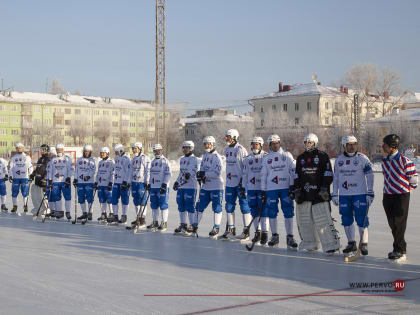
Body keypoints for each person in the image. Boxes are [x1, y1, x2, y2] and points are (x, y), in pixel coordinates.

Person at [291, 133, 340, 254]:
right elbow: (296, 176)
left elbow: (328, 174)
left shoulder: (323, 156)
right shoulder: (301, 158)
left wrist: (324, 188)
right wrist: (297, 190)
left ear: (315, 143)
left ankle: (331, 245)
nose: (308, 144)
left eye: (310, 142)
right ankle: (310, 243)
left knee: (323, 221)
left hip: (319, 195)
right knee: (304, 221)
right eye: (306, 142)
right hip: (305, 195)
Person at [332, 135, 374, 256]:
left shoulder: (362, 158)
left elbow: (370, 175)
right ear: (344, 146)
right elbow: (336, 178)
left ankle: (364, 243)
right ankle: (351, 243)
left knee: (362, 219)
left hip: (359, 194)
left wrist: (370, 192)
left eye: (354, 144)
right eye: (349, 144)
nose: (352, 146)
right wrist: (335, 194)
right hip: (344, 195)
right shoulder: (339, 160)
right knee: (346, 219)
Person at [381, 134, 418, 262]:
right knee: (393, 224)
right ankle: (397, 248)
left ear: (392, 146)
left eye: (385, 144)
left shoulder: (405, 161)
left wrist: (406, 192)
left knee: (399, 223)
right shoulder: (384, 161)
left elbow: (413, 180)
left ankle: (400, 250)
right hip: (388, 195)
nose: (382, 146)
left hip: (401, 196)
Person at [260, 135, 297, 248]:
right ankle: (274, 236)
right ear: (269, 145)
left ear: (279, 143)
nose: (275, 145)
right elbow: (264, 175)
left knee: (288, 211)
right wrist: (263, 190)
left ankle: (290, 237)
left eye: (277, 143)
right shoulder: (266, 158)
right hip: (271, 189)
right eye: (273, 143)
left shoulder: (287, 155)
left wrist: (292, 186)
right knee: (272, 212)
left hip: (285, 188)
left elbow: (293, 171)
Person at [222, 129, 250, 240]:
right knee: (229, 206)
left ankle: (246, 231)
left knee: (244, 206)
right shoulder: (226, 150)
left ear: (234, 137)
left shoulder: (241, 150)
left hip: (240, 184)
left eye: (228, 136)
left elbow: (246, 167)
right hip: (229, 183)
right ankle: (231, 230)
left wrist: (243, 182)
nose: (226, 138)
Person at [195, 136, 224, 238]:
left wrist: (205, 174)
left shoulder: (217, 157)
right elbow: (202, 168)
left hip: (216, 186)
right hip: (206, 186)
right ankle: (194, 225)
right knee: (199, 206)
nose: (207, 146)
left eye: (208, 144)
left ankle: (216, 227)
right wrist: (199, 175)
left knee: (216, 207)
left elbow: (218, 173)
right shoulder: (205, 156)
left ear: (213, 144)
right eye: (205, 144)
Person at [241, 136, 268, 243]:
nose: (254, 146)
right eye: (253, 144)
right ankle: (258, 232)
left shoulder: (266, 157)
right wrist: (243, 188)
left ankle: (265, 233)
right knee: (254, 210)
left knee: (264, 211)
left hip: (262, 188)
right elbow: (245, 174)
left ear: (261, 145)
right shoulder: (248, 158)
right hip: (251, 188)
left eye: (256, 144)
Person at [173, 141, 199, 235]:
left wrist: (189, 174)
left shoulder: (194, 159)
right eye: (184, 147)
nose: (185, 149)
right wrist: (177, 181)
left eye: (187, 147)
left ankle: (192, 226)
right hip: (182, 186)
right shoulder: (182, 159)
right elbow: (181, 172)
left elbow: (194, 170)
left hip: (191, 186)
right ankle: (183, 224)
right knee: (181, 204)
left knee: (190, 205)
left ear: (191, 148)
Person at [147, 144, 172, 231]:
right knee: (154, 205)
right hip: (153, 186)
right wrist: (149, 183)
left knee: (163, 204)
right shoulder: (153, 161)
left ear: (161, 151)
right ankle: (155, 221)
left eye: (158, 150)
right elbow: (151, 174)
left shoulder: (165, 161)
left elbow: (168, 174)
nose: (157, 152)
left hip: (162, 187)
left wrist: (165, 184)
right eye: (155, 151)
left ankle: (164, 222)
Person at [47, 144, 74, 220]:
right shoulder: (53, 160)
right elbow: (50, 171)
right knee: (56, 197)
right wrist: (49, 180)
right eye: (57, 149)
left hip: (65, 181)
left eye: (60, 149)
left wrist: (68, 178)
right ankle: (59, 212)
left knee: (67, 197)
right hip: (55, 181)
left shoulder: (67, 159)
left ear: (63, 150)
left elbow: (71, 169)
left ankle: (68, 212)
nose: (59, 151)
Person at [108, 144, 131, 224]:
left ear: (121, 150)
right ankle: (115, 216)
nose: (116, 153)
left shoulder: (126, 159)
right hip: (116, 182)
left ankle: (124, 216)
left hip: (123, 182)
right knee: (114, 199)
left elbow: (128, 171)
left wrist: (126, 181)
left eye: (117, 152)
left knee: (124, 200)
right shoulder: (116, 158)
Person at [130, 142, 151, 228]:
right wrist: (129, 181)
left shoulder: (145, 158)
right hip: (134, 182)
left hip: (142, 182)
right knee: (136, 201)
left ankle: (142, 219)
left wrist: (147, 182)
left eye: (136, 148)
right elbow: (131, 171)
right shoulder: (134, 159)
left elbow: (148, 170)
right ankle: (138, 217)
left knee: (143, 200)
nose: (134, 150)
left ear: (140, 148)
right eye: (133, 148)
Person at [74, 145, 97, 221]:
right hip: (80, 182)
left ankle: (90, 213)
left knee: (89, 198)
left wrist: (89, 176)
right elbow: (76, 170)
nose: (86, 153)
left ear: (90, 152)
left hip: (89, 182)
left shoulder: (92, 160)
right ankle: (84, 213)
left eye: (88, 151)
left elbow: (93, 170)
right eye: (85, 151)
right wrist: (75, 179)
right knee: (81, 198)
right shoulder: (79, 160)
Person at [9, 143, 33, 213]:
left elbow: (30, 167)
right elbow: (11, 167)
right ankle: (14, 206)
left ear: (22, 148)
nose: (19, 149)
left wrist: (31, 175)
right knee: (14, 192)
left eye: (20, 148)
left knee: (25, 192)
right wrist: (10, 175)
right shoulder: (14, 158)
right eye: (17, 148)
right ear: (16, 149)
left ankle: (25, 205)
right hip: (16, 178)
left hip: (24, 177)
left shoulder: (27, 157)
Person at [30, 144, 53, 216]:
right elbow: (37, 169)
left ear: (47, 150)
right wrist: (32, 175)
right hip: (37, 179)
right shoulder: (40, 159)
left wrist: (46, 179)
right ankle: (38, 207)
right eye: (41, 149)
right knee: (36, 195)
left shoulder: (48, 159)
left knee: (43, 195)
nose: (42, 150)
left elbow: (49, 170)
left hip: (43, 180)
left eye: (43, 149)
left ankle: (47, 209)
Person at [95, 147, 114, 222]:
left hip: (107, 184)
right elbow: (98, 173)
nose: (102, 154)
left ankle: (112, 213)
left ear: (107, 153)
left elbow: (113, 173)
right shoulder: (100, 162)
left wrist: (111, 182)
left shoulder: (111, 162)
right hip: (100, 184)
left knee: (109, 199)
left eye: (103, 153)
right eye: (101, 153)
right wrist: (96, 182)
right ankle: (103, 214)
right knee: (101, 199)